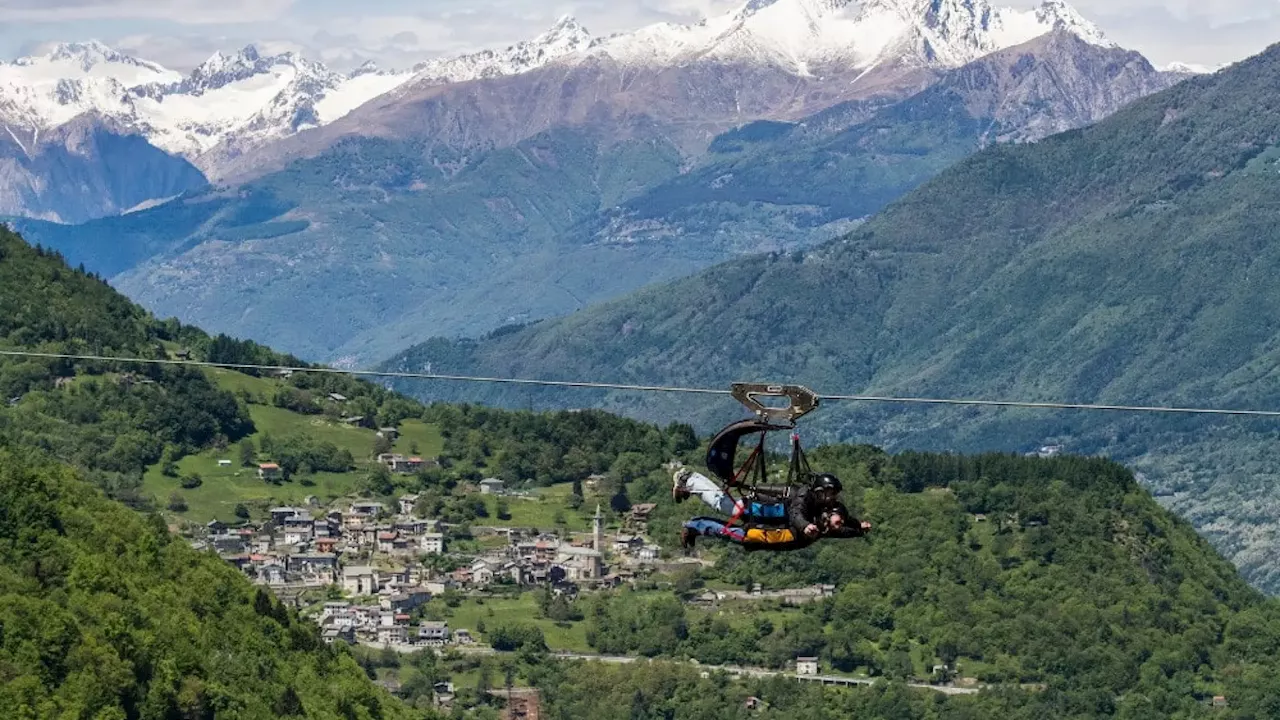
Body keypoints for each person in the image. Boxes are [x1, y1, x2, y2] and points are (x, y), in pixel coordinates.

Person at [673, 468, 871, 551]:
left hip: (769, 529)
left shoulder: (827, 520)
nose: (831, 498)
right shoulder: (804, 497)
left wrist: (859, 528)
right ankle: (689, 481)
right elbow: (796, 513)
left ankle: (694, 522)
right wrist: (805, 526)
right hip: (761, 511)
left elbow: (842, 527)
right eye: (828, 493)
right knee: (728, 510)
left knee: (735, 532)